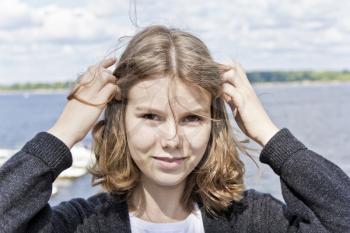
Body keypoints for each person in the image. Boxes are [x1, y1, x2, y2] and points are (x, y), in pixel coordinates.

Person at [0, 25, 349, 233]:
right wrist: (63, 133)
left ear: (214, 126)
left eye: (192, 118)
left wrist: (269, 134)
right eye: (150, 116)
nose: (172, 140)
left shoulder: (252, 219)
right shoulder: (81, 224)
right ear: (120, 122)